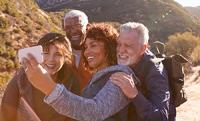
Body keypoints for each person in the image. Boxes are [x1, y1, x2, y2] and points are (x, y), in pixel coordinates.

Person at [21, 23, 139, 121]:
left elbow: (95, 112)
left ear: (109, 47)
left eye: (93, 45)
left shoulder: (121, 75)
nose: (87, 52)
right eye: (86, 47)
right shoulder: (98, 78)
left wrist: (49, 88)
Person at [1, 33, 80, 121]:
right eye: (46, 53)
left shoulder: (72, 83)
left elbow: (74, 117)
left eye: (58, 54)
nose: (51, 59)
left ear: (65, 57)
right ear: (38, 55)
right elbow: (6, 112)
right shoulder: (21, 77)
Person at [110, 22, 171, 121]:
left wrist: (134, 94)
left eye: (128, 46)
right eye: (119, 44)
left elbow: (161, 117)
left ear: (143, 48)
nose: (121, 50)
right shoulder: (123, 63)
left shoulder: (155, 71)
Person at [63, 10, 92, 90]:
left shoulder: (99, 52)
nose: (73, 31)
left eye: (78, 26)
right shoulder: (61, 53)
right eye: (68, 28)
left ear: (87, 27)